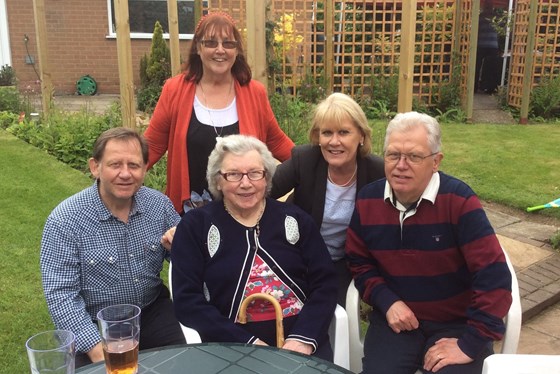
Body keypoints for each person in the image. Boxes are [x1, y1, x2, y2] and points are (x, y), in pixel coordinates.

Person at [345, 112, 512, 373]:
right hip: (397, 322)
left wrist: (469, 344)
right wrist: (386, 301)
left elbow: (494, 278)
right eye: (393, 155)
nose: (401, 165)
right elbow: (359, 262)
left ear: (436, 161)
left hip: (456, 324)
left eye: (414, 156)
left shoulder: (459, 202)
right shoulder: (368, 201)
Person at [170, 134, 337, 361]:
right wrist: (247, 345)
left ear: (266, 177)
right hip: (229, 344)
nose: (246, 183)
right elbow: (187, 301)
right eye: (234, 175)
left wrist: (302, 339)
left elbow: (325, 284)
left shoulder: (296, 219)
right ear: (218, 180)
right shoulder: (195, 226)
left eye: (255, 173)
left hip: (300, 338)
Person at [40, 127, 186, 368]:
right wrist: (99, 351)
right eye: (115, 164)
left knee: (184, 364)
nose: (126, 174)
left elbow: (189, 262)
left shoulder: (159, 206)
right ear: (95, 167)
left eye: (134, 165)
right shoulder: (64, 221)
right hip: (93, 322)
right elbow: (61, 295)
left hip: (151, 312)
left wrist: (182, 246)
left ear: (145, 167)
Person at [144, 11, 294, 215]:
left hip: (242, 210)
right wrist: (121, 172)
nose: (220, 50)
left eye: (228, 43)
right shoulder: (175, 90)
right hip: (190, 212)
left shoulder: (254, 92)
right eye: (211, 43)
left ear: (236, 50)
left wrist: (314, 163)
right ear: (198, 47)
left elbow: (276, 141)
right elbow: (151, 145)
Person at [270, 92, 384, 306]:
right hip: (297, 256)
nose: (334, 142)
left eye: (343, 132)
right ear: (317, 137)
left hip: (346, 264)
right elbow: (262, 190)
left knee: (330, 312)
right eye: (327, 133)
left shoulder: (378, 172)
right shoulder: (304, 160)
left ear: (361, 136)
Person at [475, 1, 500, 93]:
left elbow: (475, 30)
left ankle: (474, 87)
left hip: (481, 44)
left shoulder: (480, 17)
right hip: (493, 45)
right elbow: (501, 31)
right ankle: (490, 88)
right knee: (492, 67)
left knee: (477, 67)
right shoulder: (497, 17)